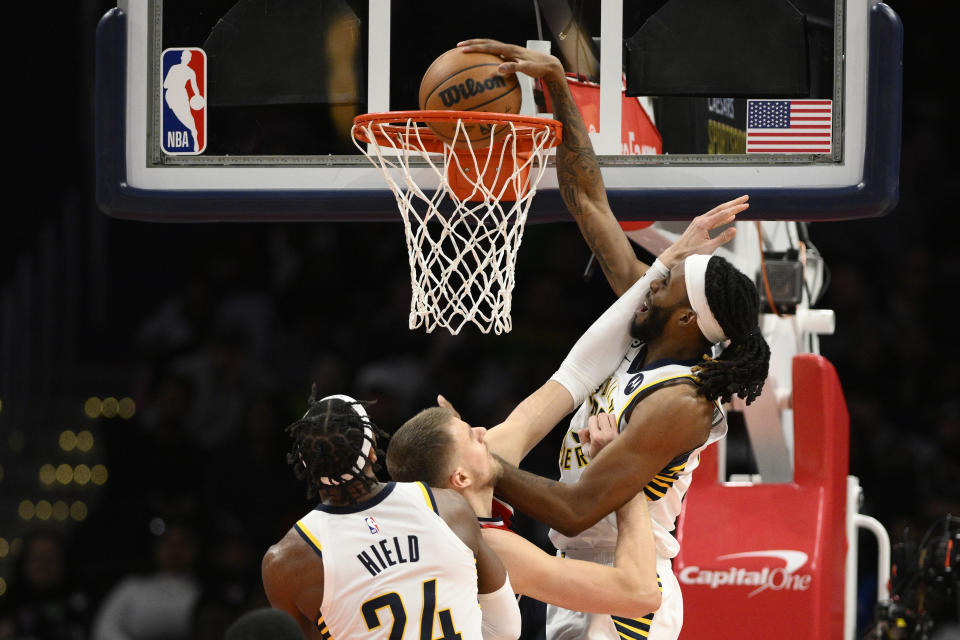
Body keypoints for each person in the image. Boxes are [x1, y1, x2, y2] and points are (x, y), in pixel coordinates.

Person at [455, 38, 772, 640]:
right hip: (576, 575)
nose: (650, 282)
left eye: (666, 284)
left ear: (685, 321)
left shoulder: (683, 402)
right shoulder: (642, 333)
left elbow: (577, 508)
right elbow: (588, 203)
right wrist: (555, 90)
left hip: (631, 588)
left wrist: (481, 463)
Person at [261, 390, 521, 640]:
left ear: (306, 466)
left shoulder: (285, 563)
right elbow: (507, 628)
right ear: (373, 449)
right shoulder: (447, 507)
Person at [386, 405, 661, 621]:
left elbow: (564, 386)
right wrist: (625, 470)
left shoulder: (467, 490)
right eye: (471, 436)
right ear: (460, 478)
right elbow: (640, 594)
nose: (483, 431)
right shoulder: (487, 546)